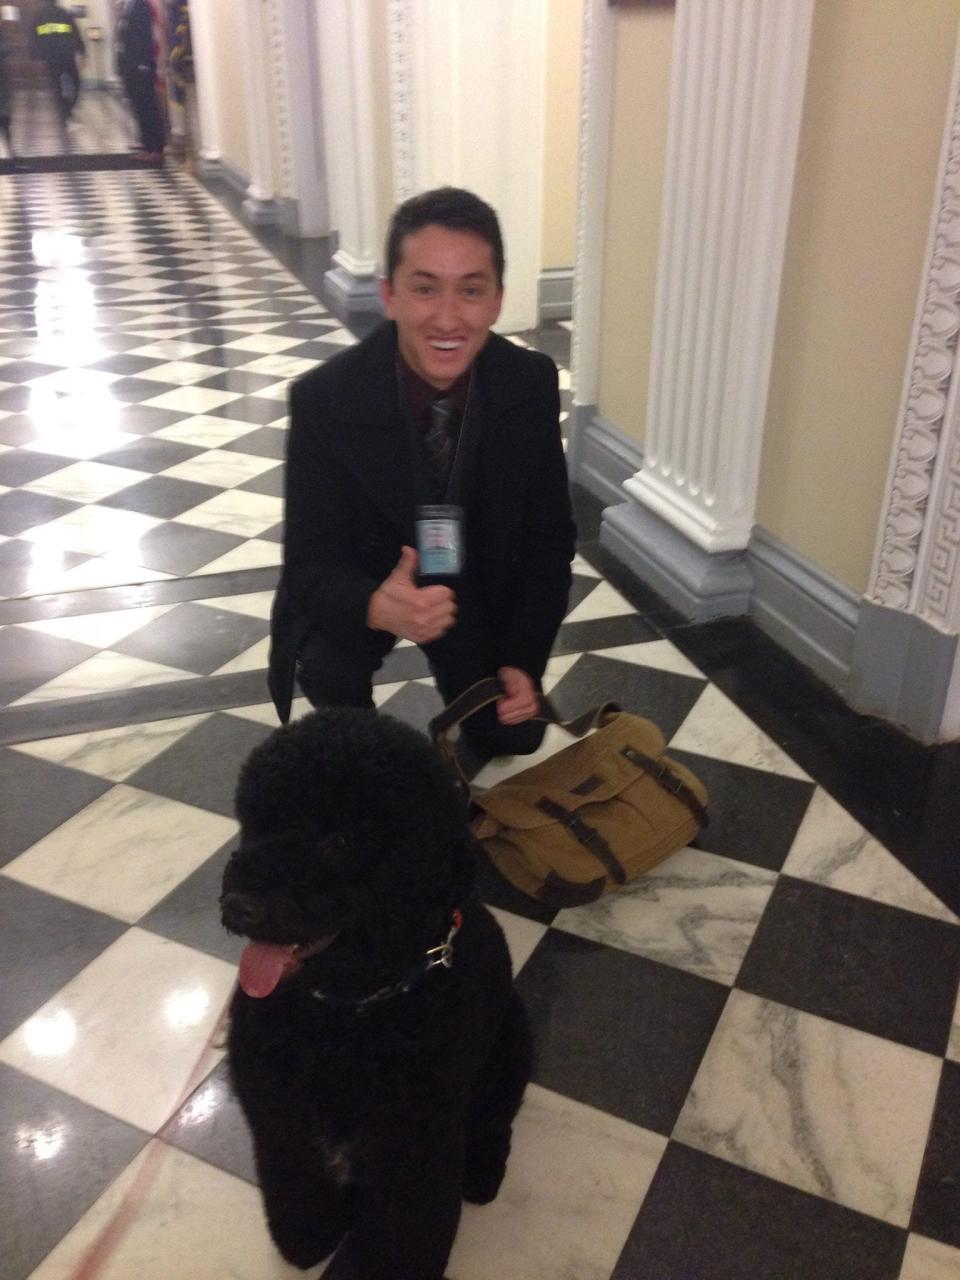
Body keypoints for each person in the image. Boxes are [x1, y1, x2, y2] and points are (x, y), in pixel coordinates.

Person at [268, 186, 577, 759]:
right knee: (332, 672)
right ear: (389, 295)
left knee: (512, 732)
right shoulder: (325, 399)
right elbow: (308, 562)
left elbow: (548, 541)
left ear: (497, 300)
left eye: (471, 291)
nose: (447, 318)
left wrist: (521, 659)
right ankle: (361, 748)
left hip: (474, 579)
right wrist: (372, 605)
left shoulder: (527, 383)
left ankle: (483, 682)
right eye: (425, 288)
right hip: (368, 573)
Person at [116, 0, 165, 162]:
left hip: (140, 64)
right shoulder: (127, 5)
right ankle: (146, 144)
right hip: (130, 64)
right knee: (138, 106)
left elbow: (145, 35)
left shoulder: (141, 5)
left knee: (147, 105)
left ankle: (155, 147)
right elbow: (124, 36)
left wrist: (142, 63)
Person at [31, 1, 84, 122]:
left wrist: (35, 57)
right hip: (66, 55)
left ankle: (64, 109)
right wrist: (81, 51)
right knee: (76, 82)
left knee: (56, 85)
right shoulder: (63, 13)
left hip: (51, 57)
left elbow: (34, 38)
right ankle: (67, 108)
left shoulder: (39, 15)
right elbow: (75, 33)